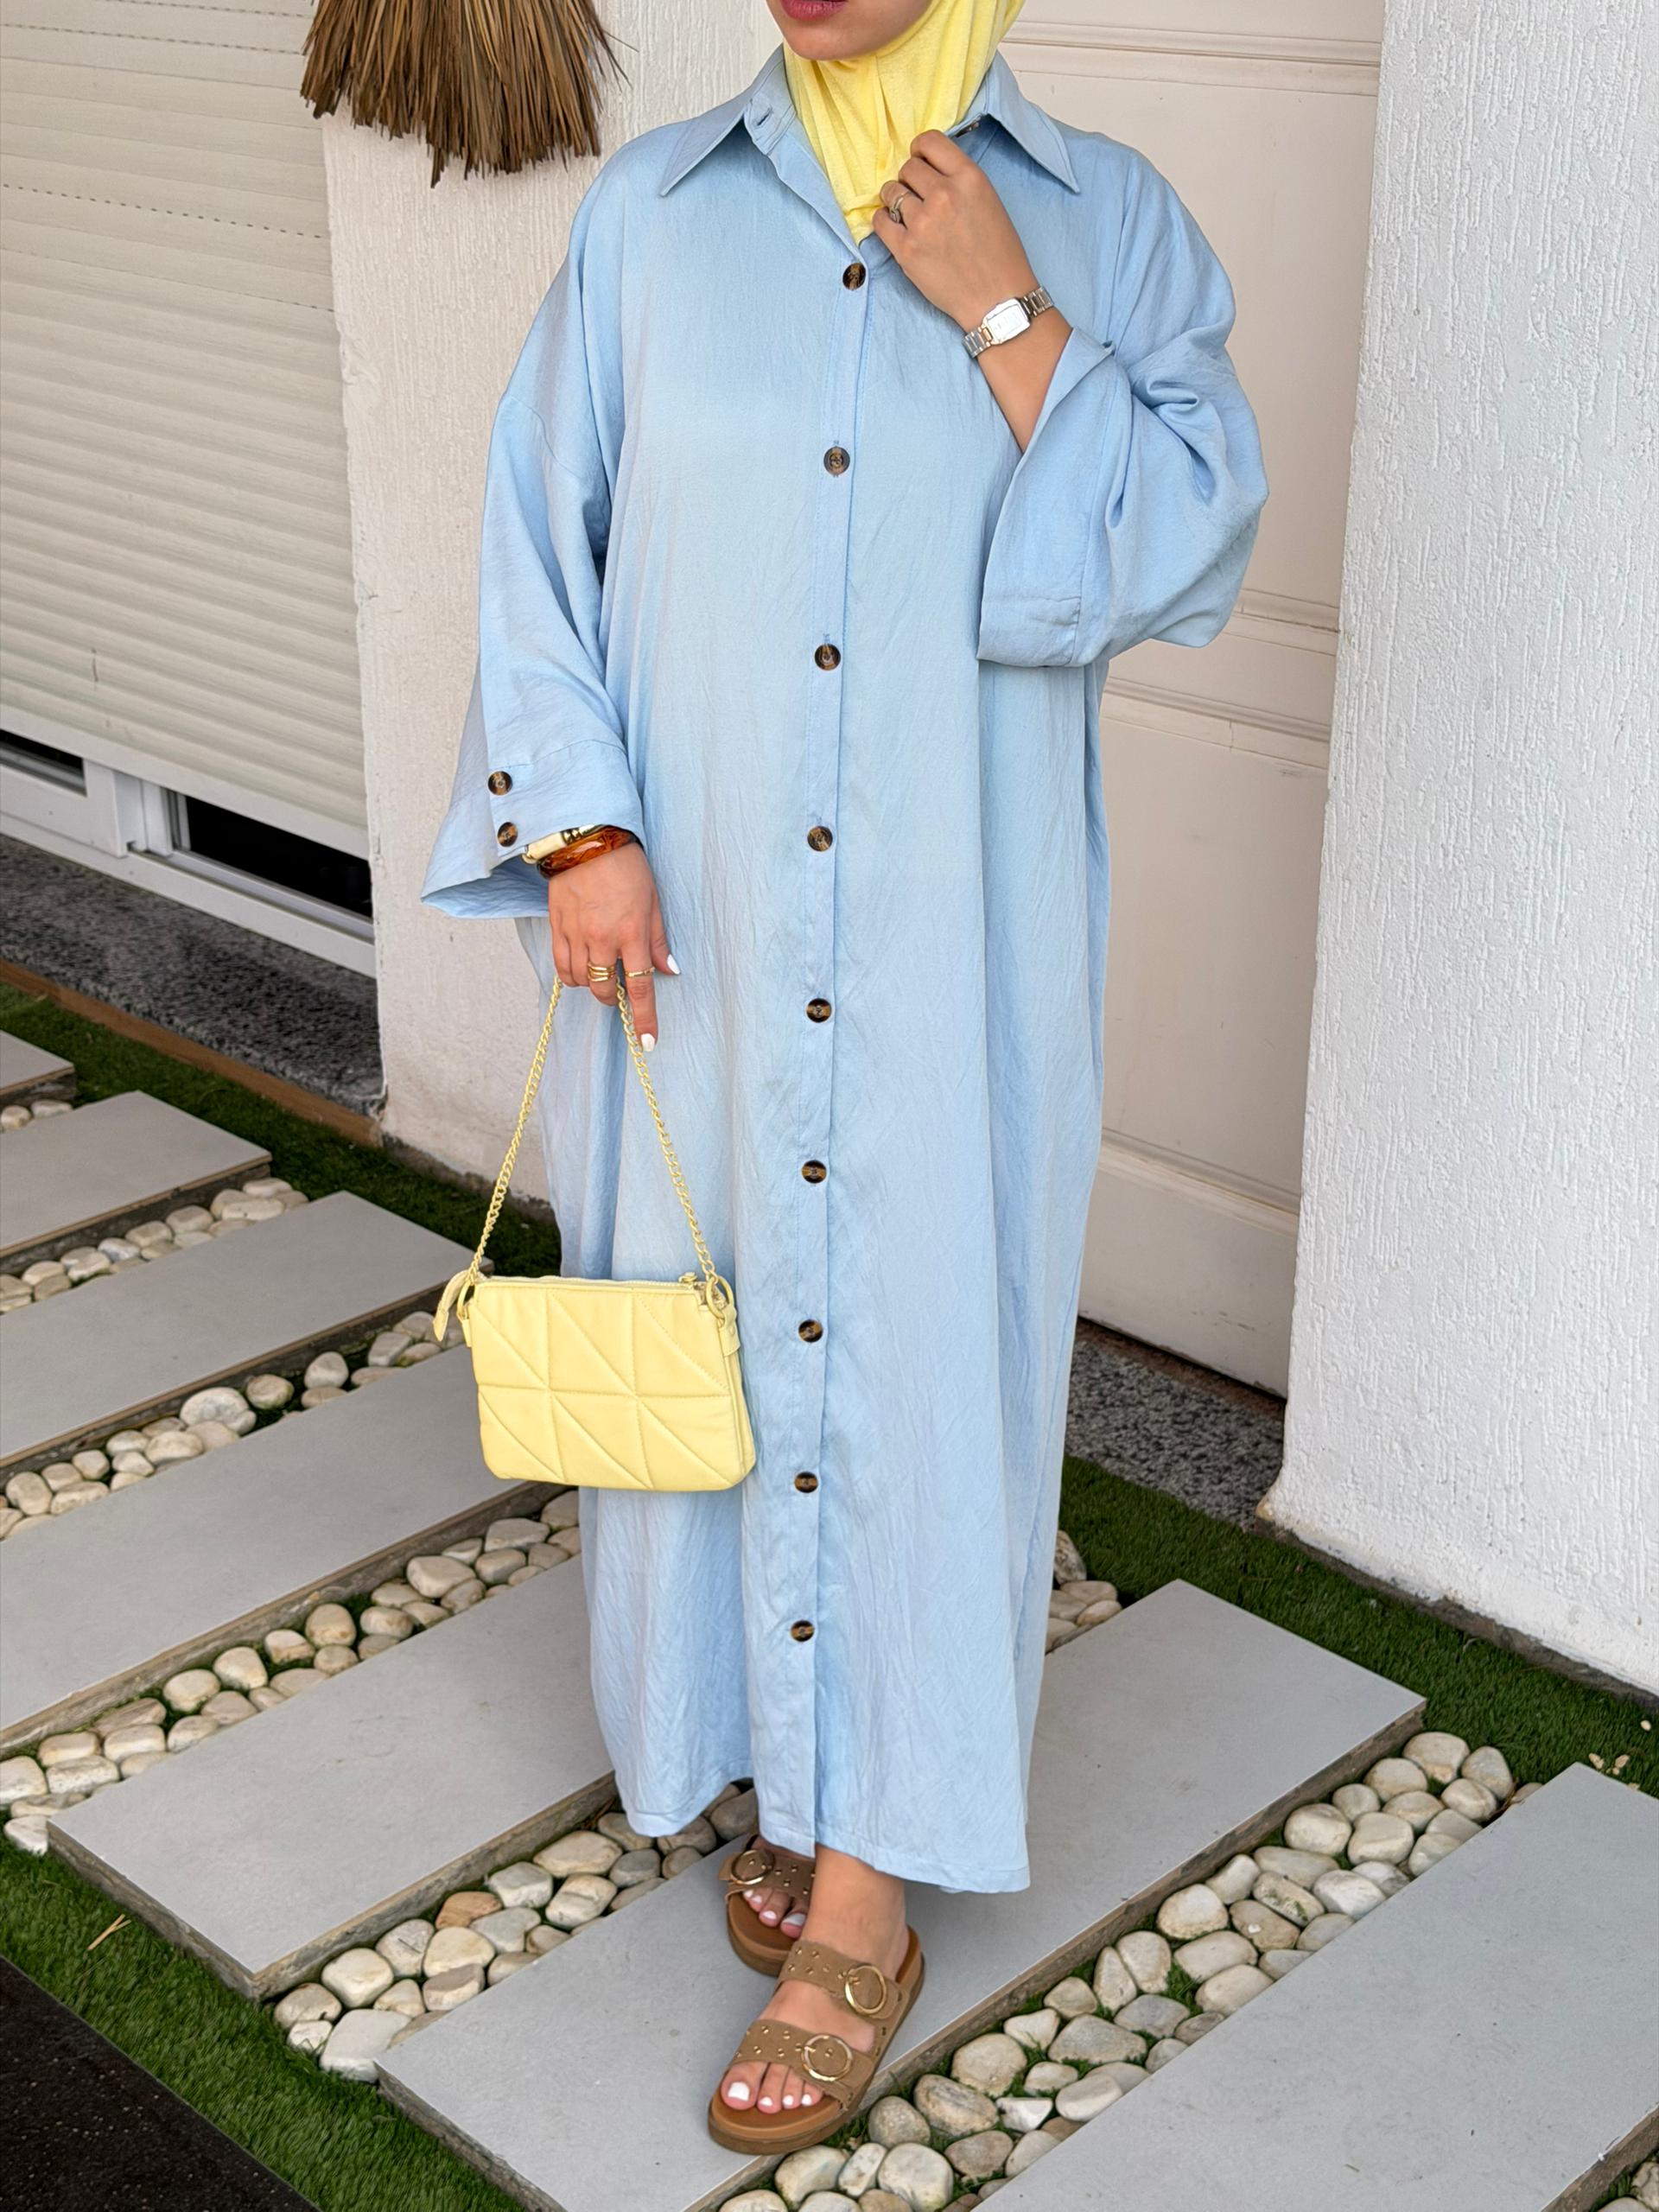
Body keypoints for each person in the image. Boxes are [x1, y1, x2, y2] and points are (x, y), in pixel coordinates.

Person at [423, 0, 1266, 2154]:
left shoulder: (1108, 223)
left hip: (944, 943)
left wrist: (1003, 308)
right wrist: (578, 824)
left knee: (913, 1352)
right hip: (692, 940)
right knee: (707, 1340)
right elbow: (539, 533)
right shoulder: (648, 218)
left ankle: (866, 1899)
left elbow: (1180, 547)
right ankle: (786, 1772)